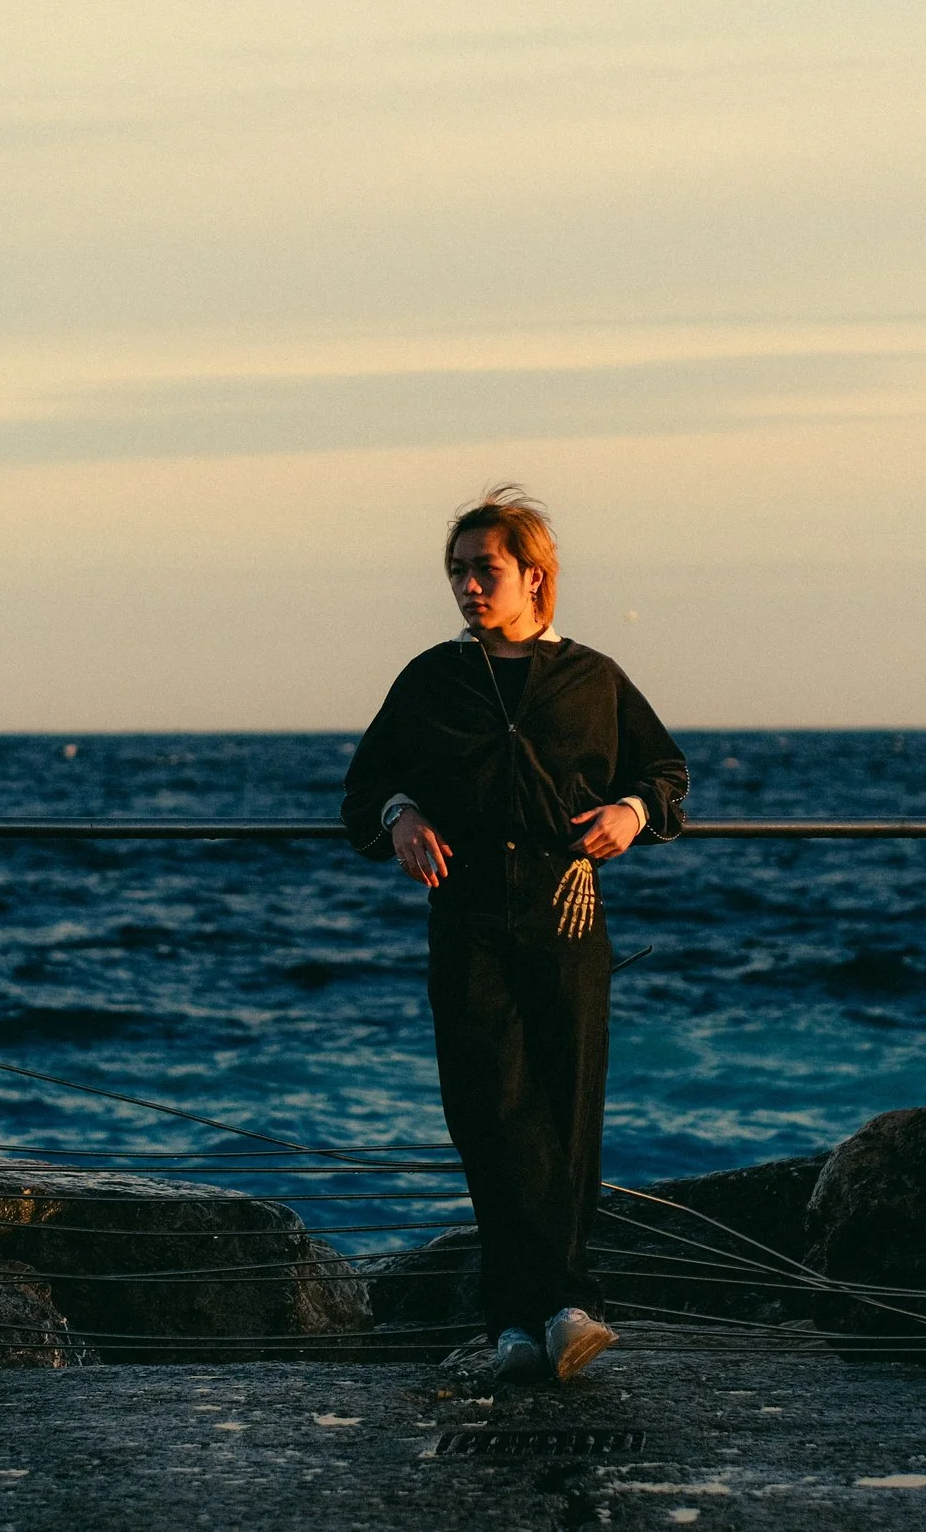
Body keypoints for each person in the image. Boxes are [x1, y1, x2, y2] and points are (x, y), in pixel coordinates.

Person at [343, 486, 690, 1382]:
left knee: (568, 1109)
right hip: (466, 920)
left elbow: (666, 771)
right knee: (488, 1115)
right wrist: (402, 812)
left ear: (534, 575)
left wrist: (632, 809)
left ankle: (558, 1312)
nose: (466, 585)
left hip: (568, 914)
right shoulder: (432, 679)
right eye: (456, 571)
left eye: (483, 568)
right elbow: (362, 787)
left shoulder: (593, 678)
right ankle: (530, 1315)